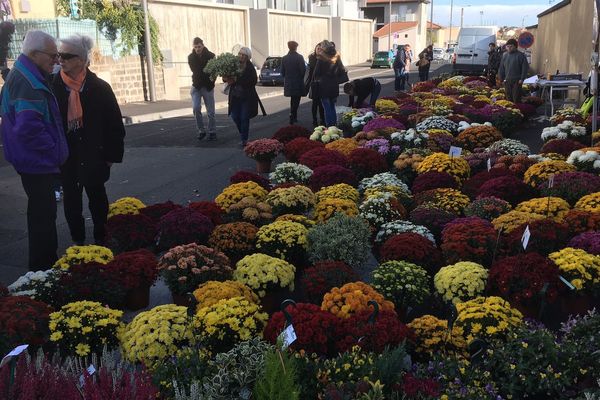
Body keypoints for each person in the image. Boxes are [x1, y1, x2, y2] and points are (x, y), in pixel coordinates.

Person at [0, 30, 68, 270]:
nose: (57, 61)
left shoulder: (24, 74)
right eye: (52, 56)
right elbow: (28, 128)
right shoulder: (29, 82)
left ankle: (43, 265)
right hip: (36, 161)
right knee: (43, 215)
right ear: (35, 54)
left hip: (30, 159)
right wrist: (52, 151)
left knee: (41, 212)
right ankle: (43, 268)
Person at [51, 34, 125, 246]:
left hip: (95, 155)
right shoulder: (53, 88)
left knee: (97, 198)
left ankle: (102, 237)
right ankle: (78, 239)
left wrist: (111, 156)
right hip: (67, 156)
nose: (60, 60)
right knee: (72, 202)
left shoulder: (99, 88)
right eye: (59, 55)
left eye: (66, 55)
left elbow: (114, 124)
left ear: (81, 60)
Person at [227, 47, 265, 146]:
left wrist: (236, 80)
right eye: (240, 54)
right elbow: (227, 77)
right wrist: (225, 78)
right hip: (235, 96)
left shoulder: (250, 67)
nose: (241, 56)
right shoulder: (233, 65)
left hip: (246, 97)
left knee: (244, 118)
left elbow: (253, 81)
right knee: (235, 116)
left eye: (244, 55)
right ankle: (242, 133)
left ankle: (244, 139)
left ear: (248, 57)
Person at [312, 40, 347, 127]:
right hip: (334, 85)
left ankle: (329, 126)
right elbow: (342, 70)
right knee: (332, 106)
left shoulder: (321, 58)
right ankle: (334, 124)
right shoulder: (337, 56)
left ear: (324, 48)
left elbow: (316, 73)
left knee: (326, 107)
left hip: (324, 86)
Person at [188, 37, 216, 140]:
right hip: (196, 85)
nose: (197, 49)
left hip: (207, 86)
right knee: (196, 108)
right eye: (195, 47)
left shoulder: (211, 56)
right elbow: (195, 70)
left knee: (210, 111)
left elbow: (214, 70)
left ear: (203, 46)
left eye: (199, 47)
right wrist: (205, 73)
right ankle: (201, 130)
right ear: (193, 47)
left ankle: (212, 131)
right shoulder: (191, 57)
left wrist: (211, 82)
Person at [281, 40, 306, 125]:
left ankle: (293, 114)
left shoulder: (284, 58)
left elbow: (282, 72)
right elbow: (303, 70)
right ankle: (293, 114)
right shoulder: (299, 57)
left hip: (289, 82)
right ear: (296, 47)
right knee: (296, 99)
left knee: (292, 99)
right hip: (298, 82)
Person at [498, 38, 528, 103]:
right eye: (507, 46)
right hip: (507, 80)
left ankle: (517, 111)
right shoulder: (505, 55)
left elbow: (525, 68)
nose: (509, 48)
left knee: (516, 98)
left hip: (517, 81)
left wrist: (522, 79)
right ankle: (510, 111)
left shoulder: (521, 55)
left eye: (511, 46)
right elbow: (501, 68)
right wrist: (501, 78)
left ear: (515, 46)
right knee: (508, 98)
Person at [306, 43, 325, 127]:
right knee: (315, 103)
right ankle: (314, 119)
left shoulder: (324, 57)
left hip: (322, 83)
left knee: (321, 103)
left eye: (321, 48)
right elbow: (312, 68)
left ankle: (322, 119)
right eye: (318, 47)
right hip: (314, 83)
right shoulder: (312, 57)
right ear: (315, 48)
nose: (319, 49)